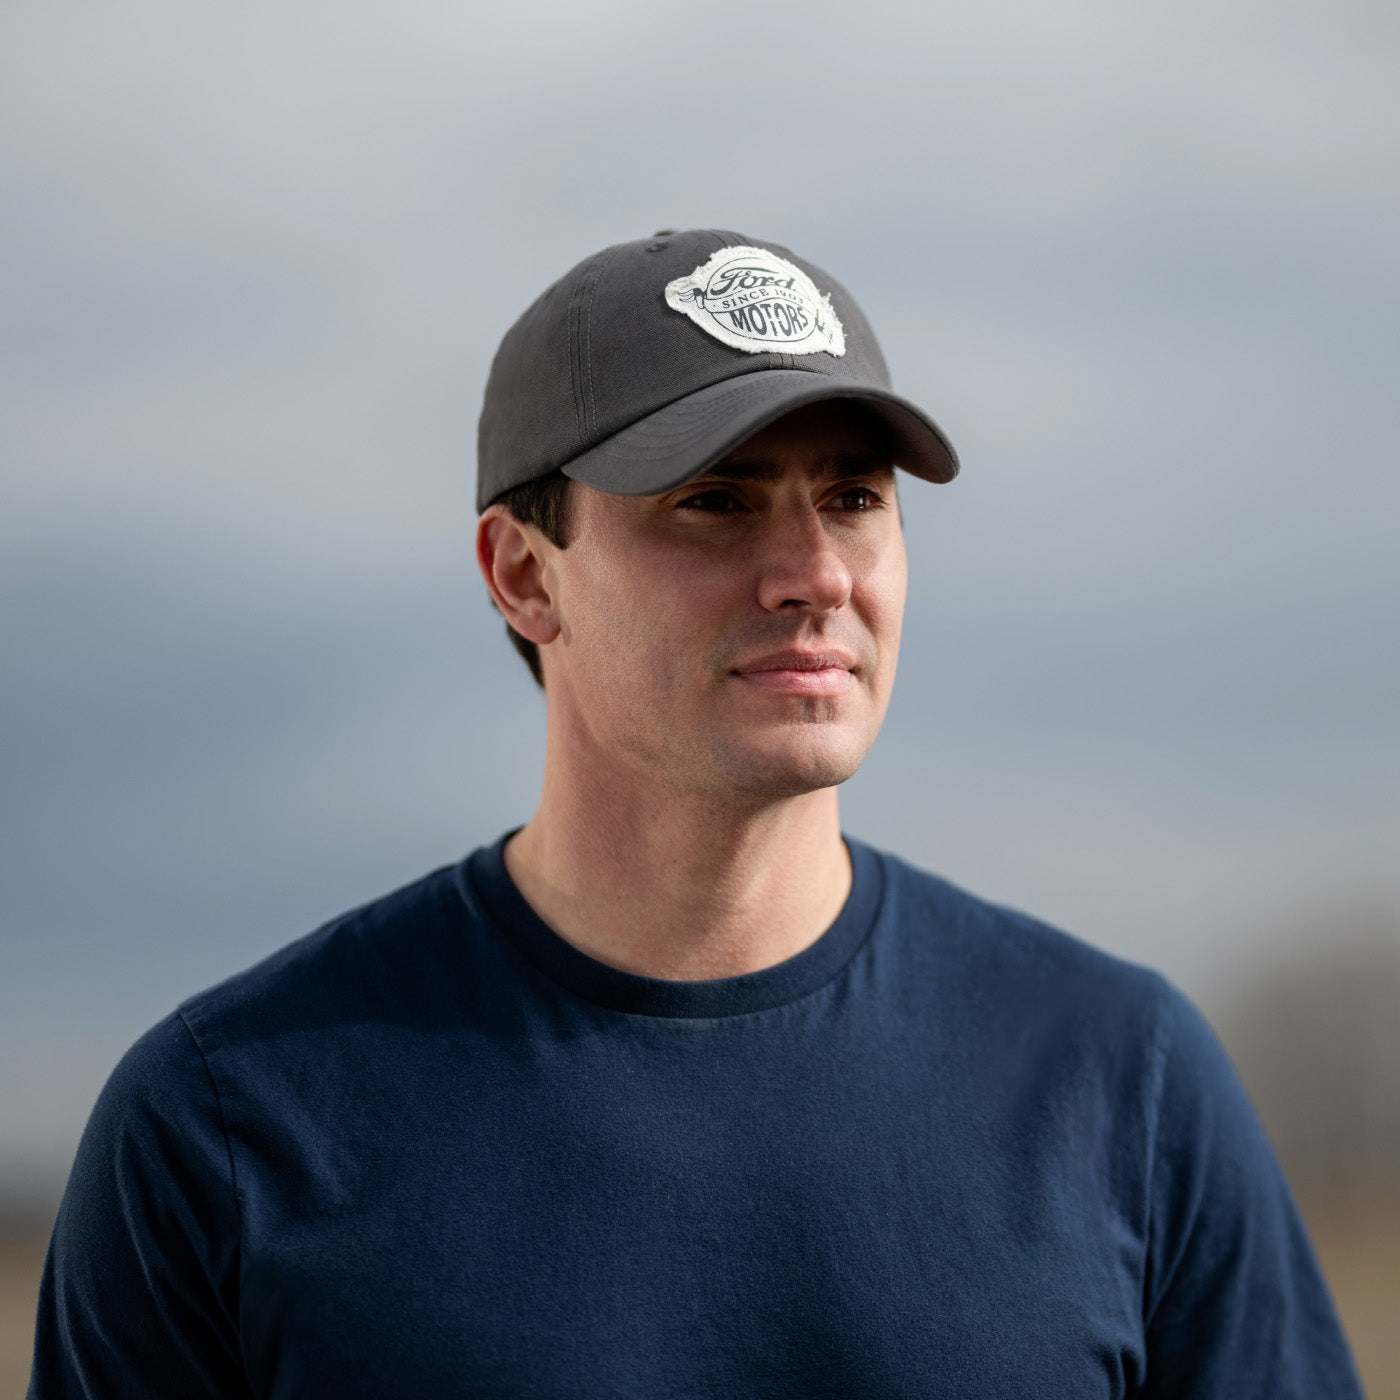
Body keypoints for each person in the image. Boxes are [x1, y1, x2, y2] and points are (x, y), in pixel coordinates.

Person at [30, 230, 1361, 1399]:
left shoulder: (1115, 1079)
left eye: (852, 498)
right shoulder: (229, 1118)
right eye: (715, 503)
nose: (815, 575)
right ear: (523, 574)